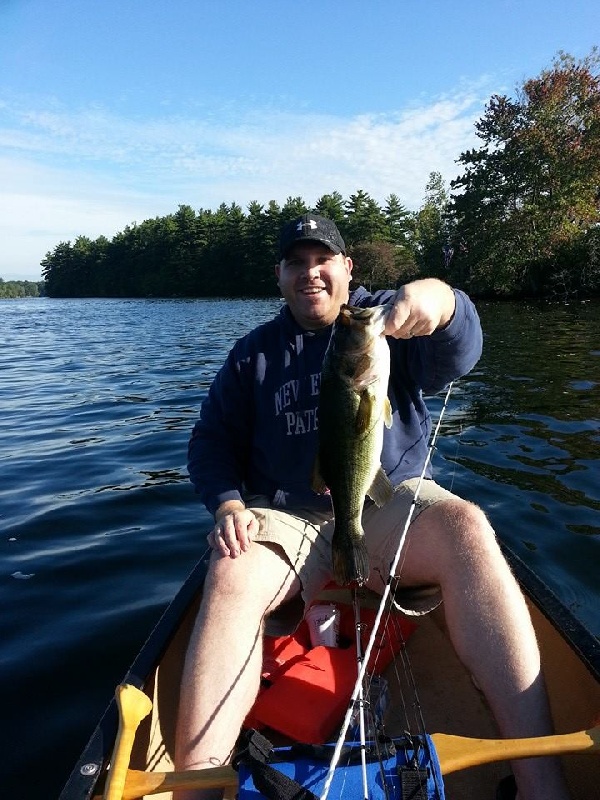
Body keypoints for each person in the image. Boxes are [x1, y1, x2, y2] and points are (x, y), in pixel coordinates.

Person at [175, 213, 568, 800]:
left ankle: (543, 785)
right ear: (279, 276)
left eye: (323, 260)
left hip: (384, 500)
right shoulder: (250, 356)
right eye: (296, 263)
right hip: (287, 515)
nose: (311, 273)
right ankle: (192, 790)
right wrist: (227, 502)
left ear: (347, 269)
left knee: (467, 526)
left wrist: (436, 301)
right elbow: (209, 444)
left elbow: (461, 340)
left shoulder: (380, 324)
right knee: (229, 568)